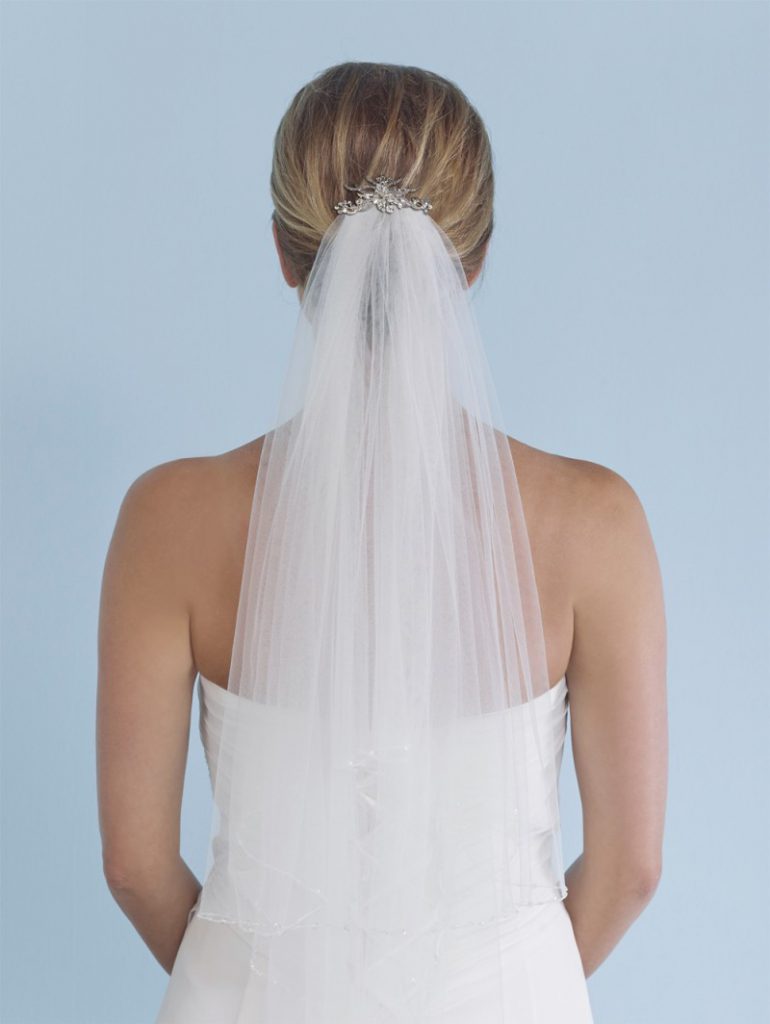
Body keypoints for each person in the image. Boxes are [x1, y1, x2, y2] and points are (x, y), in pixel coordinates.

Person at [97, 62, 667, 1023]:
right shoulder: (597, 521)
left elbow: (133, 865)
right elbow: (633, 868)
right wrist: (499, 982)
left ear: (285, 254)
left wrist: (256, 975)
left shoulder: (166, 518)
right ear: (472, 262)